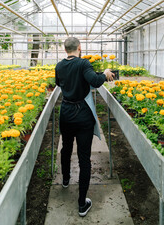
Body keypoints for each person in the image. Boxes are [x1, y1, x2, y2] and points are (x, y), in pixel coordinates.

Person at [55, 37, 114, 217]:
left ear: (65, 50)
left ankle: (65, 179)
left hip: (66, 112)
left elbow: (59, 84)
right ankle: (82, 203)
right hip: (82, 115)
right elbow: (95, 81)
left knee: (66, 147)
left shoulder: (59, 66)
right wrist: (104, 73)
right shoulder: (83, 64)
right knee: (84, 157)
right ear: (79, 48)